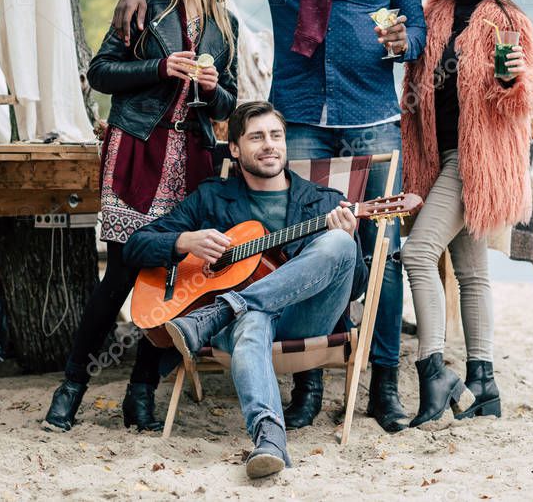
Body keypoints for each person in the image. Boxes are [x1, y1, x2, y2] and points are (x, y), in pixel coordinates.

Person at [111, 0, 424, 433]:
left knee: (385, 250)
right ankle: (307, 379)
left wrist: (405, 41)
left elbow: (418, 30)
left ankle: (382, 382)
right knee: (299, 243)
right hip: (300, 116)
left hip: (373, 117)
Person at [42, 0, 239, 433]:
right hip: (138, 152)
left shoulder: (225, 23)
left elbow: (231, 102)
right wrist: (159, 68)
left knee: (174, 279)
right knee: (122, 276)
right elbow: (100, 72)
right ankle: (70, 389)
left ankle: (141, 393)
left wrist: (216, 88)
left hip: (193, 160)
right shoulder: (146, 7)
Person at [122, 101, 367, 478]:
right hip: (244, 327)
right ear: (234, 148)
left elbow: (356, 288)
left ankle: (222, 308)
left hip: (304, 319)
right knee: (251, 319)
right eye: (256, 137)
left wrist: (347, 240)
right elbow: (137, 245)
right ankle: (269, 439)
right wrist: (186, 241)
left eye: (276, 136)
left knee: (338, 245)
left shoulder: (325, 202)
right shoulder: (212, 198)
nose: (269, 145)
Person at [399, 0, 533, 429]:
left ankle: (434, 371)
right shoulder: (434, 10)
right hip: (439, 156)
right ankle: (483, 384)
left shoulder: (506, 17)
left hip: (476, 160)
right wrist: (397, 42)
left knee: (417, 253)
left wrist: (510, 79)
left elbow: (524, 100)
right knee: (471, 272)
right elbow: (414, 63)